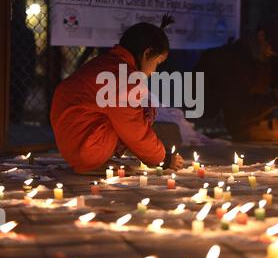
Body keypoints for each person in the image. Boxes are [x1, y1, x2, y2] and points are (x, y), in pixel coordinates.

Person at [51, 15, 184, 173]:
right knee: (147, 110)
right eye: (157, 63)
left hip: (76, 142)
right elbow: (134, 129)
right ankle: (94, 163)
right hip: (85, 147)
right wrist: (163, 159)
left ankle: (97, 160)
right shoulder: (122, 77)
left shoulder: (109, 63)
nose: (154, 72)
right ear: (147, 53)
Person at [193, 22, 278, 141]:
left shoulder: (263, 59)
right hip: (229, 125)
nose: (272, 52)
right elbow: (238, 113)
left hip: (254, 120)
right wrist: (275, 98)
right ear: (261, 36)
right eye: (271, 46)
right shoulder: (231, 61)